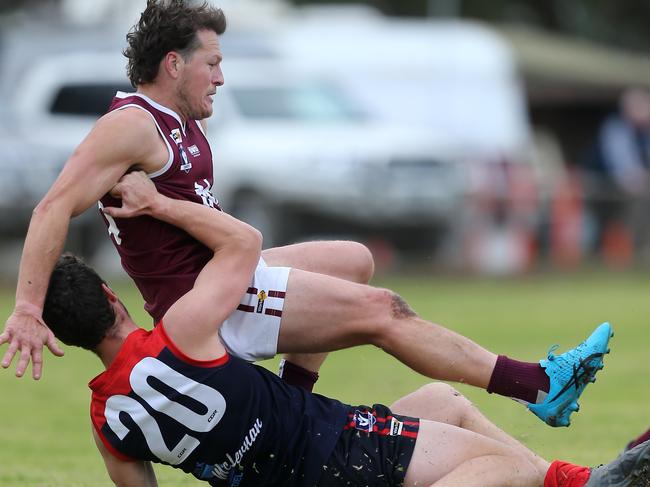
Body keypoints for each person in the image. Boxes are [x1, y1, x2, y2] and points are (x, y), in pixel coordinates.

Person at [0, 0, 610, 429]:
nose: (221, 75)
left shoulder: (178, 124)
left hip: (224, 275)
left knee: (353, 261)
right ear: (174, 65)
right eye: (211, 62)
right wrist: (28, 308)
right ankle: (536, 385)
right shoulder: (132, 125)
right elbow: (52, 206)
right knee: (384, 311)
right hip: (209, 303)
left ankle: (290, 402)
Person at [41, 252, 647, 487]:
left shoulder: (105, 420)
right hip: (332, 456)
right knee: (510, 469)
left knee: (443, 401)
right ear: (111, 295)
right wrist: (153, 202)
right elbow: (242, 243)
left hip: (298, 463)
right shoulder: (184, 328)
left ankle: (590, 484)